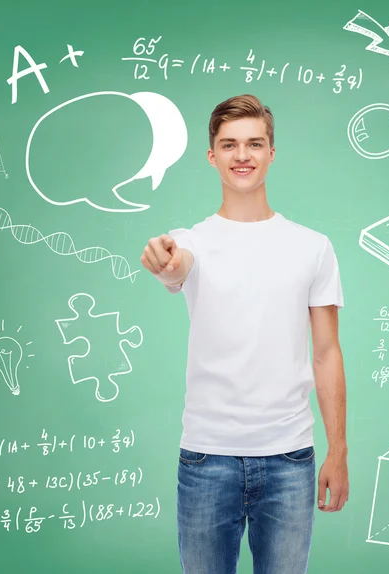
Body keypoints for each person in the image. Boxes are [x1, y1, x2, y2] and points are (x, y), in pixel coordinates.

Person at [140, 94, 349, 574]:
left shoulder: (312, 247)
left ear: (272, 153)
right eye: (229, 145)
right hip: (205, 459)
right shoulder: (191, 241)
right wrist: (164, 261)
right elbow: (175, 267)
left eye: (255, 143)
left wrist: (337, 450)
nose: (242, 155)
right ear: (212, 155)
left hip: (290, 459)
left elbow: (327, 352)